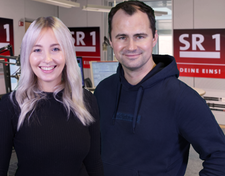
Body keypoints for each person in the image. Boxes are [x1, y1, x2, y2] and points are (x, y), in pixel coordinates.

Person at [94, 1, 225, 176]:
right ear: (111, 40)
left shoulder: (182, 98)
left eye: (140, 36)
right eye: (121, 37)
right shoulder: (103, 90)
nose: (131, 46)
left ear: (154, 38)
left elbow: (220, 156)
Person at [0, 16, 103, 176]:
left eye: (55, 49)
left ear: (67, 53)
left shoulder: (86, 100)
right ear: (28, 55)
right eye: (37, 50)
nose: (47, 59)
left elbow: (94, 163)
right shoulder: (11, 105)